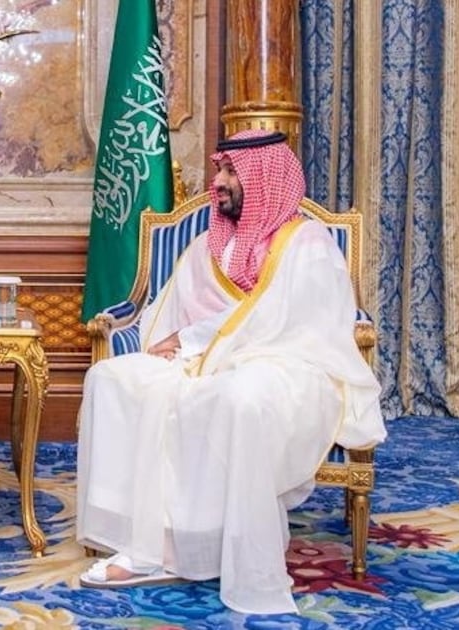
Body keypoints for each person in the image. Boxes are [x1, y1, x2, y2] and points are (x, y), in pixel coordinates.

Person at [76, 130, 387, 614]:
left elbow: (293, 321)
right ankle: (143, 538)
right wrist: (180, 346)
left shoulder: (307, 243)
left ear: (264, 179)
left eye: (230, 172)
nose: (217, 182)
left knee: (239, 396)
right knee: (112, 378)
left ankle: (190, 547)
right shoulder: (209, 243)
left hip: (290, 366)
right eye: (219, 170)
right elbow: (170, 311)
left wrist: (194, 340)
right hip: (207, 359)